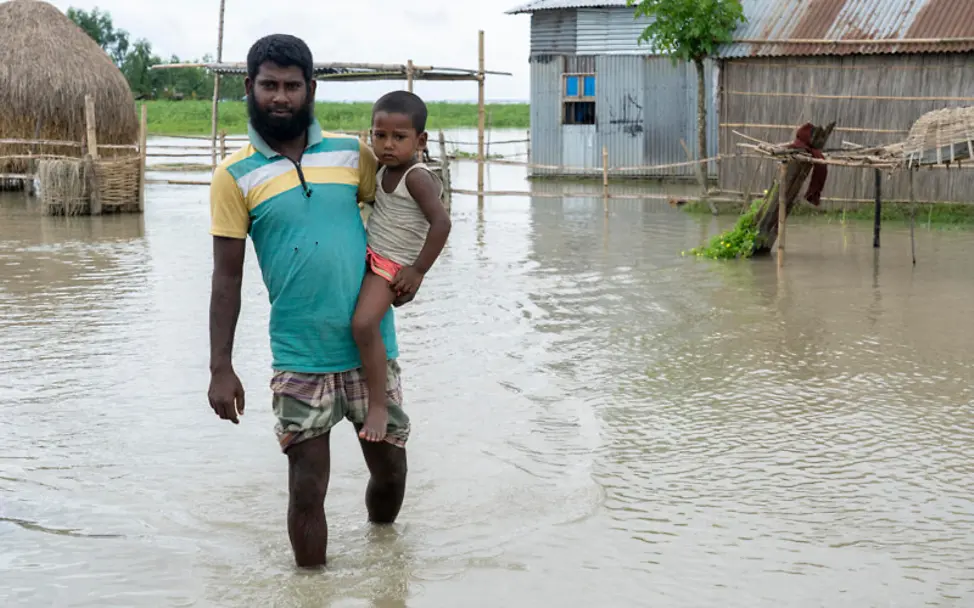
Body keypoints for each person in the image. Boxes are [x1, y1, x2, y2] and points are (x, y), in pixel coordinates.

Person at [206, 33, 412, 569]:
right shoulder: (235, 176)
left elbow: (398, 214)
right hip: (300, 356)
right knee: (306, 490)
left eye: (292, 86)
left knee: (391, 473)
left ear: (310, 89)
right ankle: (311, 590)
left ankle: (384, 564)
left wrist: (411, 275)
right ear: (249, 88)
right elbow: (227, 279)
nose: (280, 97)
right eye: (269, 85)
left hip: (371, 347)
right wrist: (220, 367)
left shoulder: (353, 153)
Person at [353, 91, 451, 444]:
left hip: (390, 265)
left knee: (364, 324)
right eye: (380, 136)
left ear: (420, 141)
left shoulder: (417, 177)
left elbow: (442, 223)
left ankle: (378, 405)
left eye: (399, 137)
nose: (387, 145)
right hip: (370, 255)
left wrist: (417, 270)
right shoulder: (383, 170)